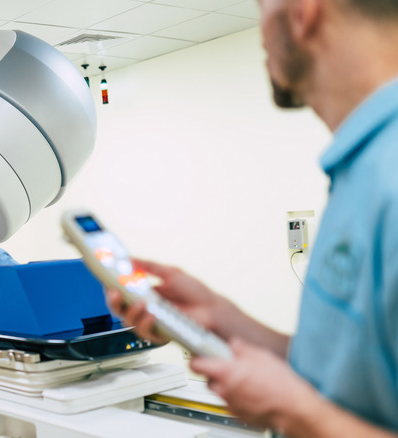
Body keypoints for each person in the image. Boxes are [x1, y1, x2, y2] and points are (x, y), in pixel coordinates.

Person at [110, 0, 398, 436]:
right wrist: (221, 318)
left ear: (304, 12)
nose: (261, 29)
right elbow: (353, 380)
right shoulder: (361, 168)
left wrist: (293, 413)